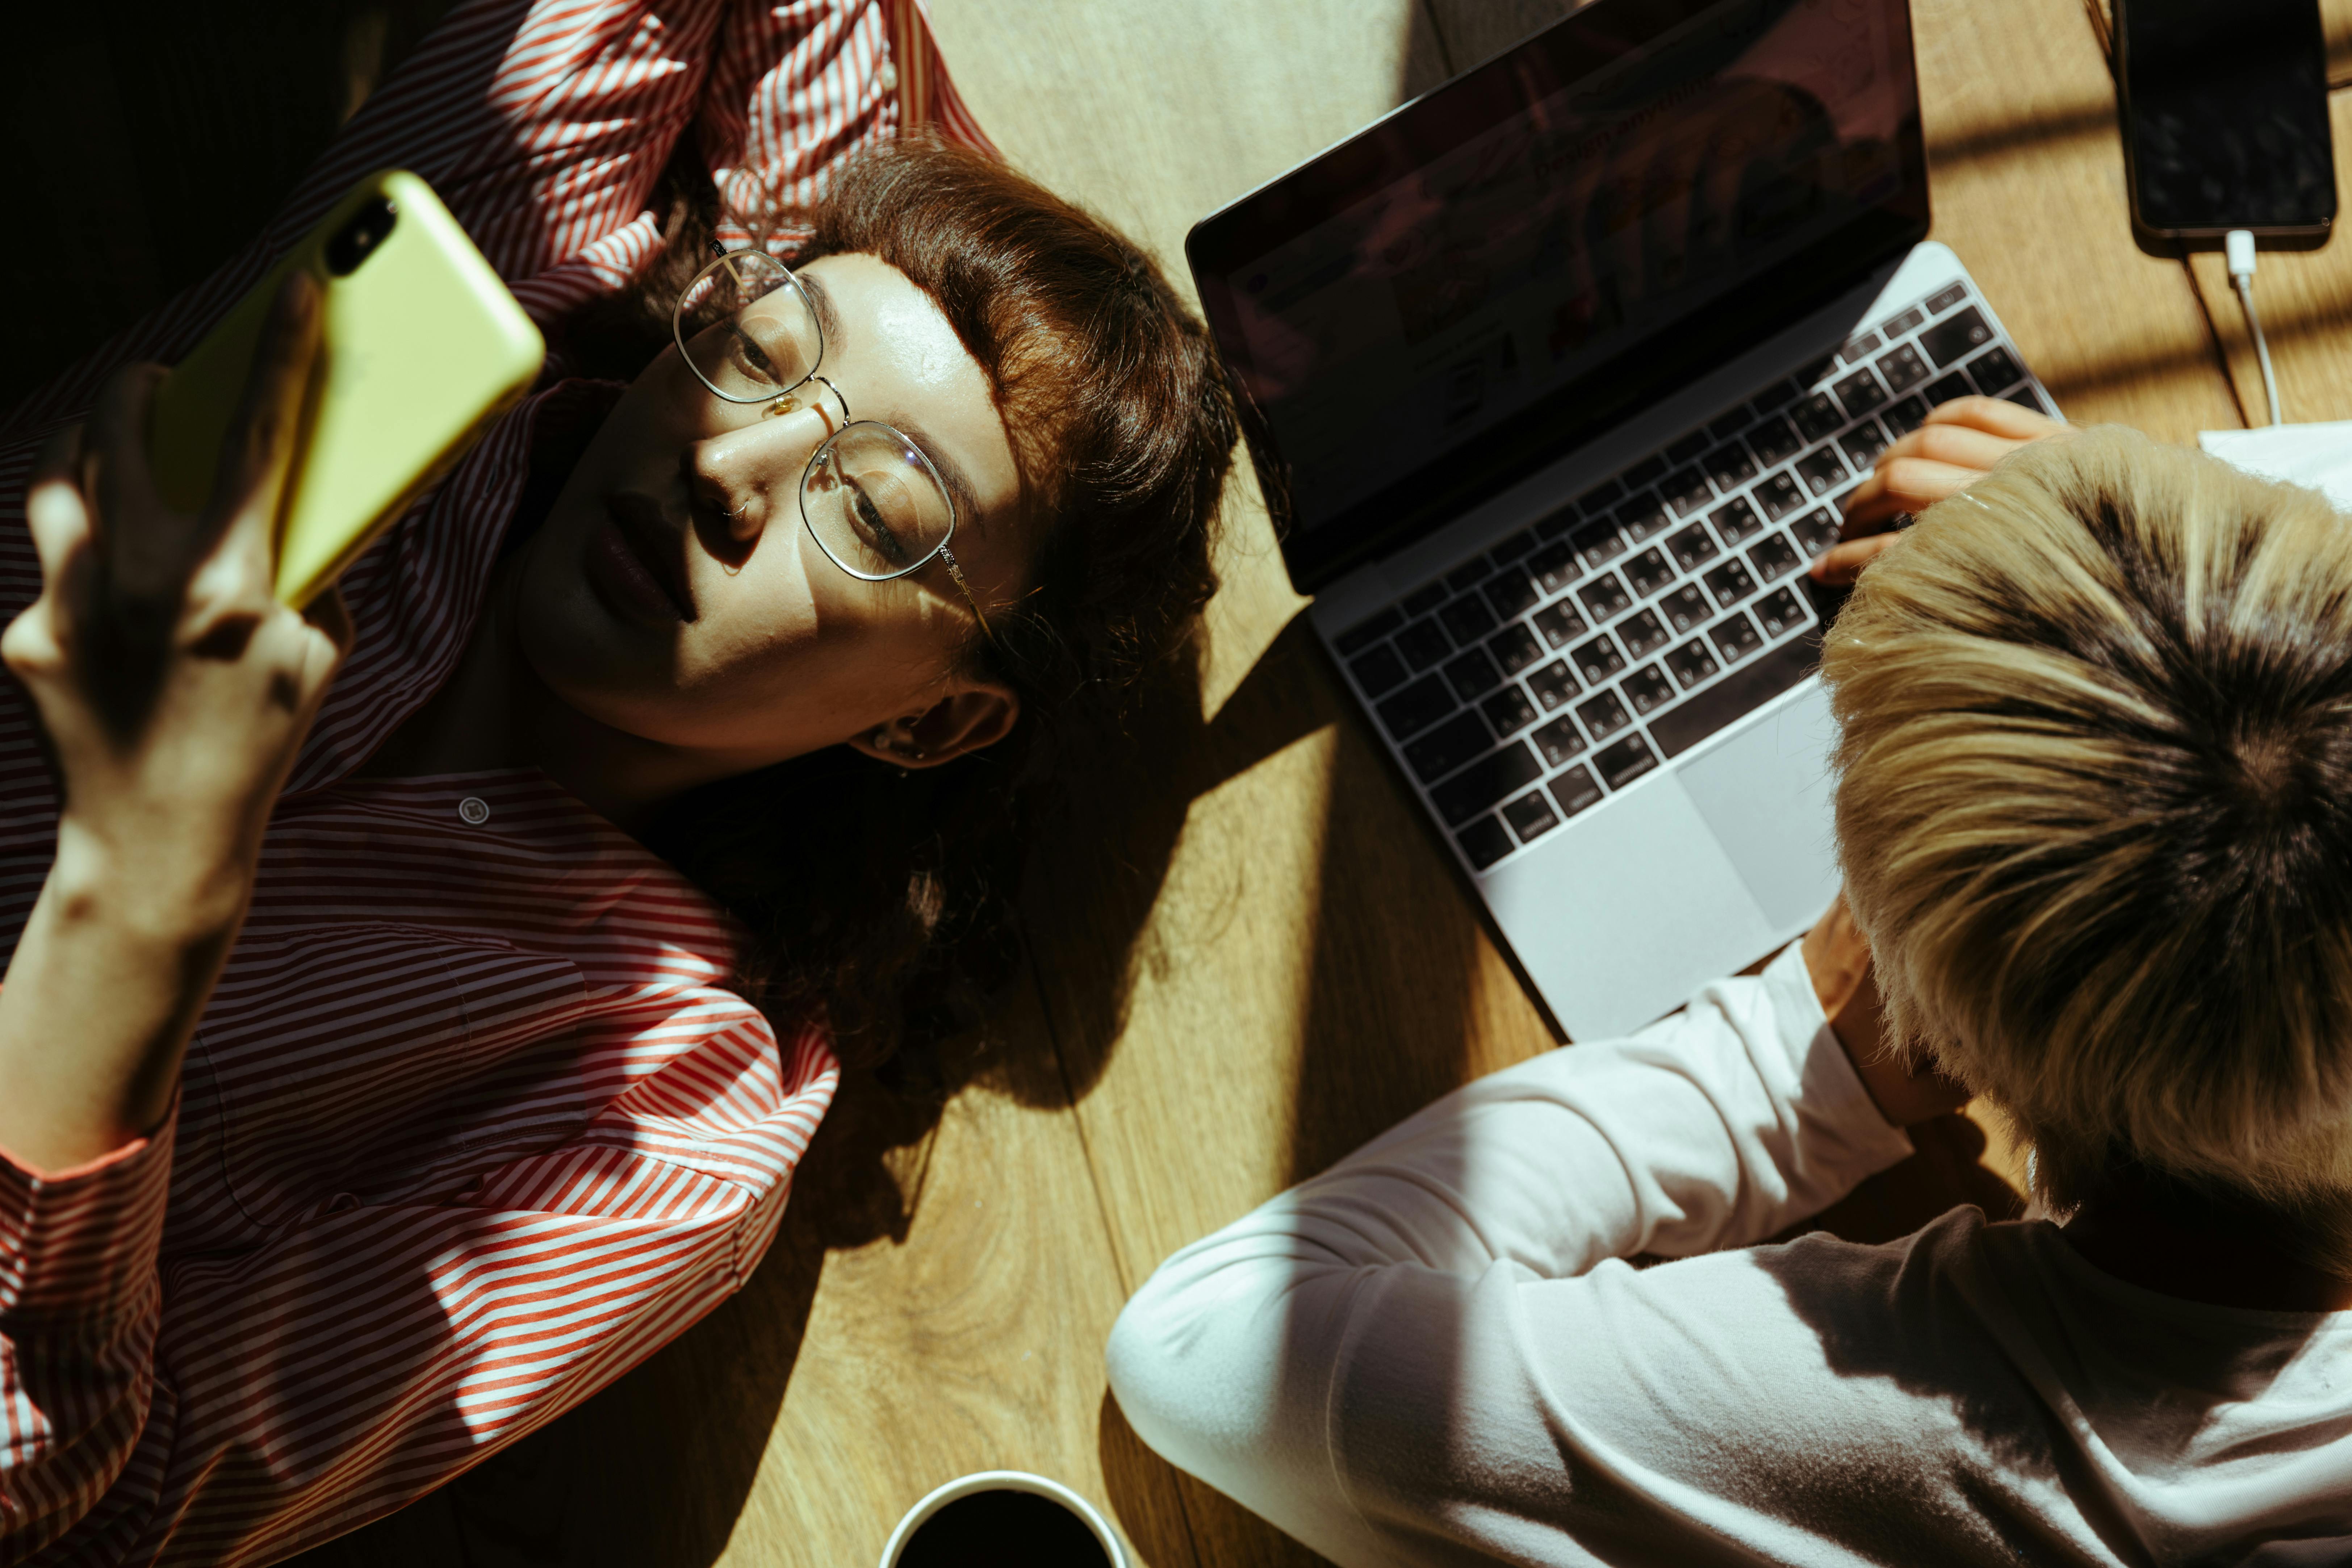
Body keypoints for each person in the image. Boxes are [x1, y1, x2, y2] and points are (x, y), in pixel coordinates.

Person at [0, 0, 1234, 1560]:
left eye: (869, 508)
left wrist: (139, 903)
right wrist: (871, 284)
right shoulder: (472, 310)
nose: (727, 464)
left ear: (928, 726)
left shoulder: (671, 1115)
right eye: (758, 353)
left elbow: (83, 1526)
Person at [1107, 402, 2352, 1565]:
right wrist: (2169, 570)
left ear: (1941, 1024)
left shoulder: (1923, 1423)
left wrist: (1790, 1055)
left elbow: (1205, 1345)